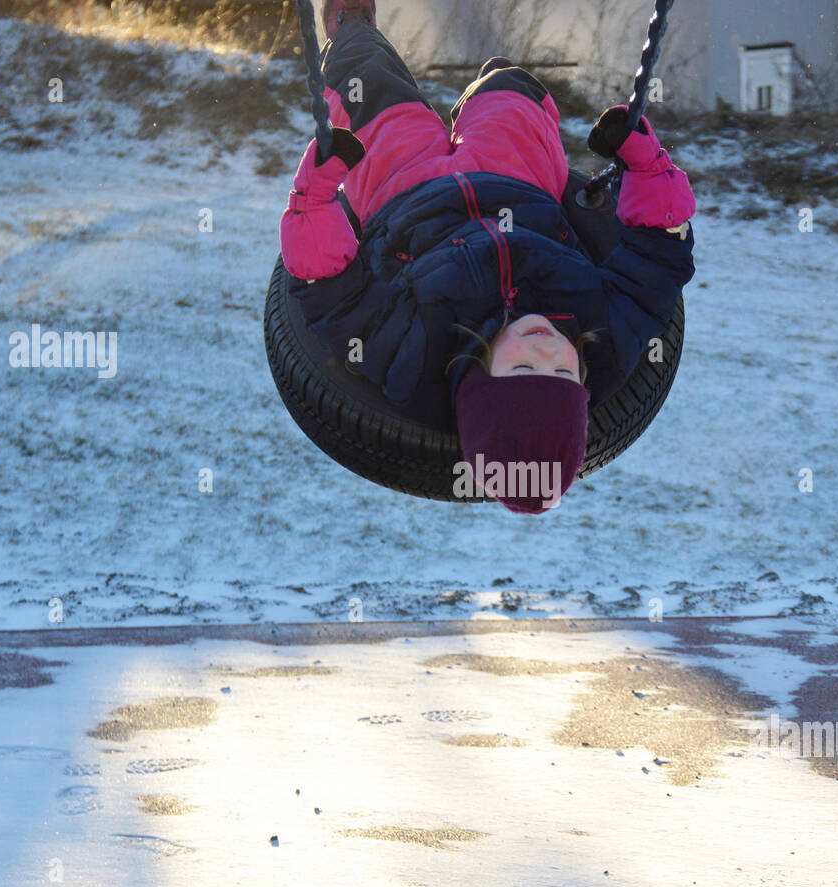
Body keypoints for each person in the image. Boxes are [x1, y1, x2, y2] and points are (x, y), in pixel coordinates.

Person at [280, 0, 695, 513]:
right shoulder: (609, 335)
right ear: (584, 385)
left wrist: (314, 200)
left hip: (400, 188)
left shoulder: (416, 356)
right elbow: (659, 261)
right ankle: (489, 84)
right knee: (510, 86)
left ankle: (350, 26)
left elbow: (332, 297)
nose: (545, 349)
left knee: (360, 77)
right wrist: (647, 165)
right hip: (517, 177)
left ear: (478, 380)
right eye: (563, 374)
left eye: (523, 368)